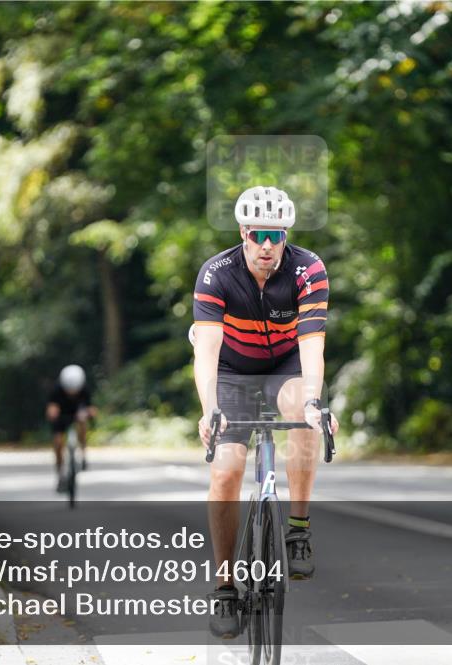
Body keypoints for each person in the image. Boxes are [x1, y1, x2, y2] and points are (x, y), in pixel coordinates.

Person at [191, 185, 339, 638]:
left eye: (276, 234)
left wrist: (314, 403)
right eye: (259, 235)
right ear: (244, 232)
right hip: (234, 371)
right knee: (226, 471)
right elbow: (207, 353)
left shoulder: (307, 269)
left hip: (285, 368)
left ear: (286, 232)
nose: (268, 245)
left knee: (304, 411)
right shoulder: (217, 274)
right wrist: (210, 410)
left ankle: (297, 529)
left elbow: (312, 345)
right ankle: (223, 586)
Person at [46, 364, 96, 488]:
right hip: (61, 415)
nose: (72, 393)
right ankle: (60, 474)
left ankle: (83, 452)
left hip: (77, 414)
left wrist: (90, 413)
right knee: (57, 442)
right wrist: (52, 412)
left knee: (83, 424)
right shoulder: (56, 389)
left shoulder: (85, 389)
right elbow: (50, 409)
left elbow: (91, 408)